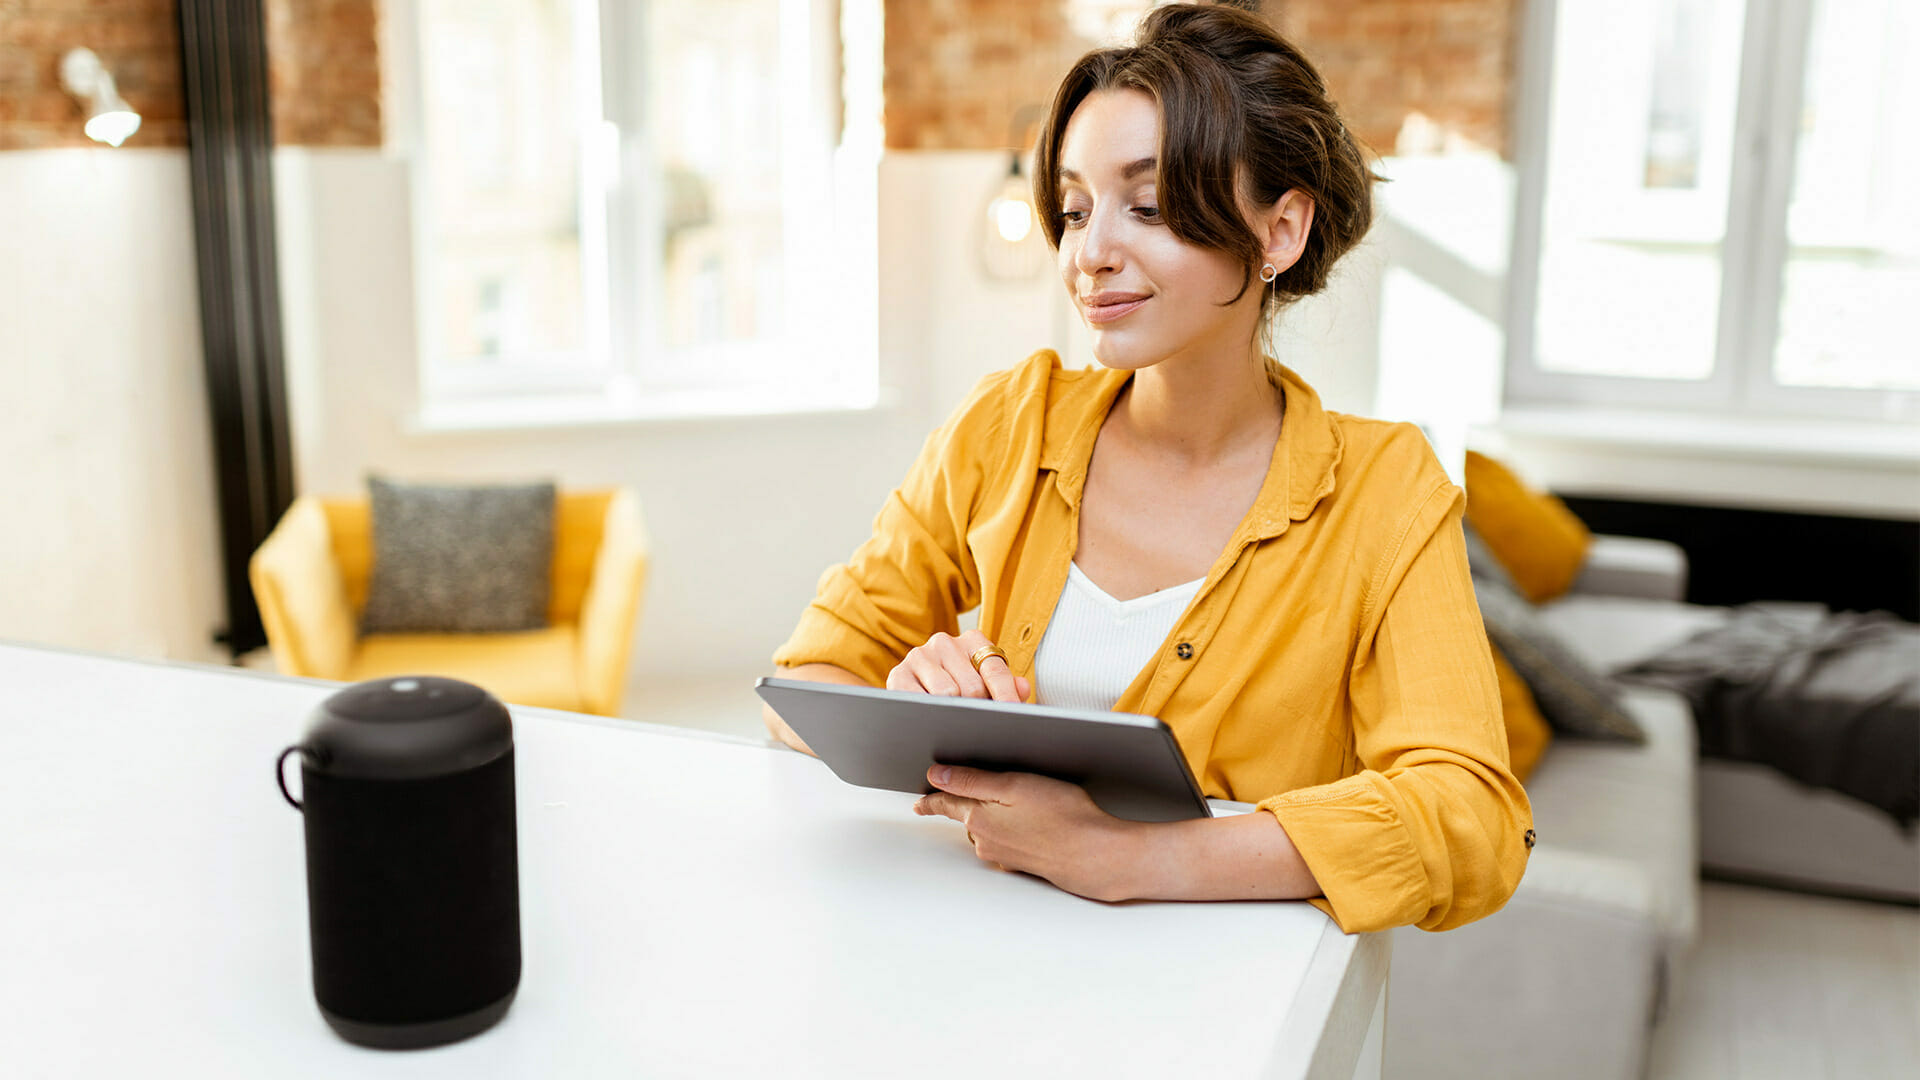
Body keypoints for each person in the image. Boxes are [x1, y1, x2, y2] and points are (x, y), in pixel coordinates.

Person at [762, 2, 1531, 934]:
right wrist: (915, 713)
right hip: (987, 955)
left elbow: (1470, 818)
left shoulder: (1386, 490)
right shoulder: (1008, 424)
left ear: (1280, 231)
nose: (1090, 254)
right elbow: (805, 682)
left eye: (1150, 206)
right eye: (1076, 208)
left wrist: (1130, 857)